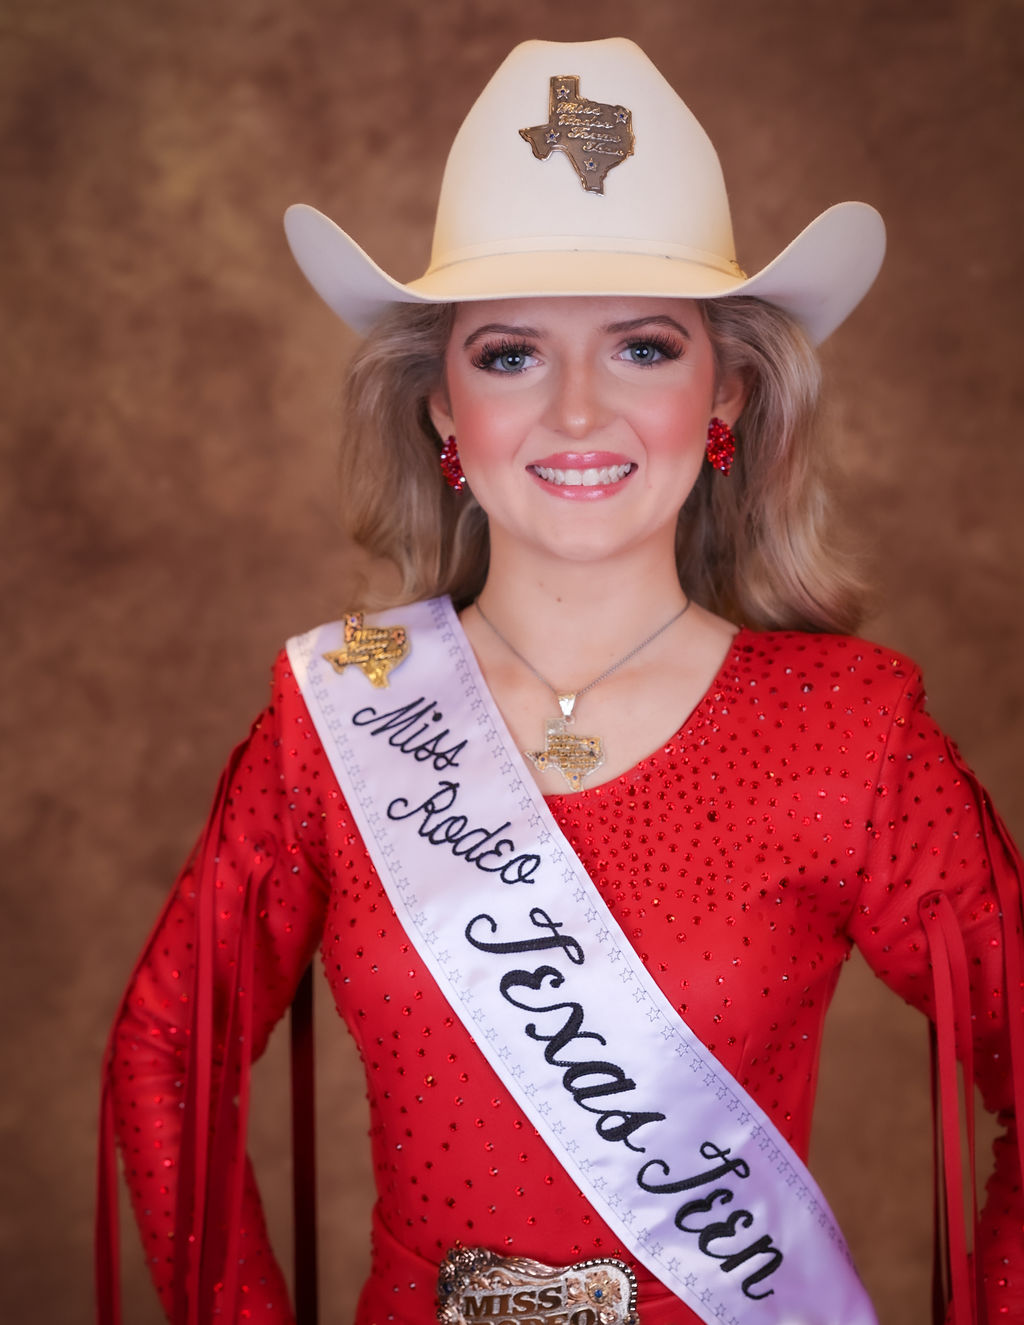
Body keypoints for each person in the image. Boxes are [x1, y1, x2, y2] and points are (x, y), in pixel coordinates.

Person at [96, 38, 1023, 1325]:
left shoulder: (851, 733)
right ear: (440, 410)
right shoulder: (340, 712)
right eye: (513, 353)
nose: (578, 413)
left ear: (727, 393)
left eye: (641, 347)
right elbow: (166, 1054)